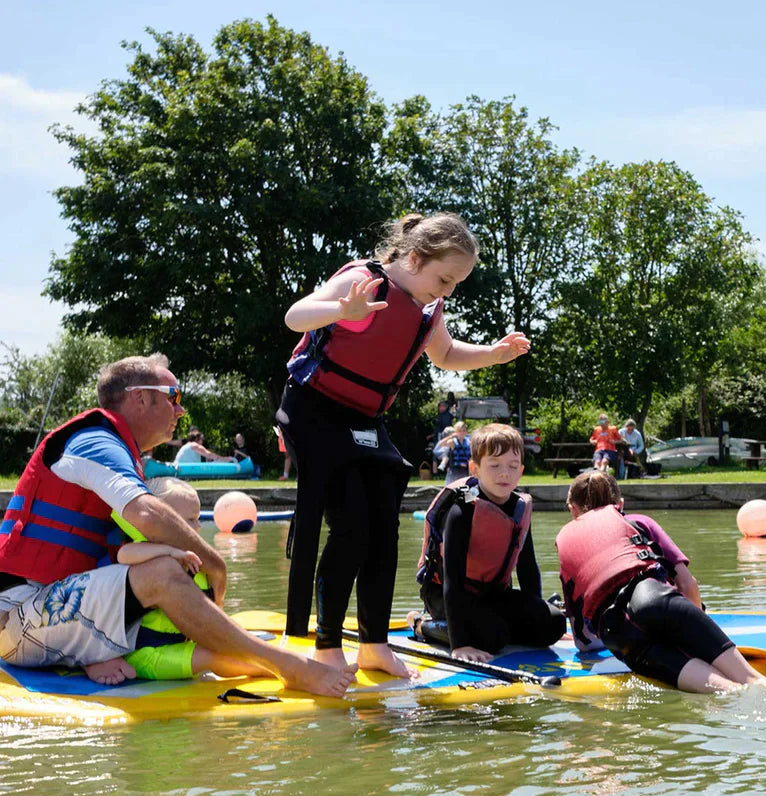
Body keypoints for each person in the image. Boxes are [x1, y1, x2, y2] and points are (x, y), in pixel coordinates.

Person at [0, 354, 356, 697]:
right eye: (173, 397)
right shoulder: (94, 441)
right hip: (13, 615)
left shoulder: (118, 451)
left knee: (171, 564)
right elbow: (148, 515)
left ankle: (226, 653)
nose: (180, 410)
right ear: (140, 398)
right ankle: (287, 667)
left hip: (42, 609)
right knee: (163, 572)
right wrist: (215, 563)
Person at [278, 211, 530, 677]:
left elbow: (446, 355)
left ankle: (374, 645)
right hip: (314, 407)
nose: (449, 290)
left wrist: (493, 353)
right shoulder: (362, 280)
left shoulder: (429, 309)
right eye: (445, 278)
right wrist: (341, 311)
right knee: (351, 525)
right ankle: (327, 647)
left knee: (384, 531)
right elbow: (296, 316)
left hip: (364, 417)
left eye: (457, 282)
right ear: (414, 257)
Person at [556, 472, 766, 693]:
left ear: (573, 510)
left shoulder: (567, 540)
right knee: (753, 681)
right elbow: (689, 585)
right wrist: (696, 635)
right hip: (659, 598)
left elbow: (584, 642)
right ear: (620, 504)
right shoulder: (639, 522)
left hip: (620, 635)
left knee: (728, 692)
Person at [411, 423, 565, 661]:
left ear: (521, 470)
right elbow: (452, 579)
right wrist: (459, 645)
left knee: (554, 624)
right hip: (447, 594)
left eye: (512, 466)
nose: (504, 473)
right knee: (492, 638)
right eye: (494, 466)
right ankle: (423, 624)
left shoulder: (519, 508)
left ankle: (493, 626)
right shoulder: (462, 509)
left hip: (492, 595)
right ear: (475, 469)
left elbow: (527, 568)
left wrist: (536, 616)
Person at [113, 477, 270, 682]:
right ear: (160, 523)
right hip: (147, 653)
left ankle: (265, 660)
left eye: (197, 518)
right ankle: (271, 668)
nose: (197, 526)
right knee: (212, 657)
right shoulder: (146, 549)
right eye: (188, 520)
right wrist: (169, 551)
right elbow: (123, 555)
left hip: (183, 645)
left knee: (220, 647)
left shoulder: (196, 558)